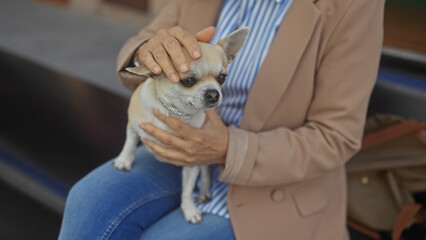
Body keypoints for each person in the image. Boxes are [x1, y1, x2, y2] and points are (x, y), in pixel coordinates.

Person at [58, 0, 385, 239]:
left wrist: (229, 149)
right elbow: (146, 41)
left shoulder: (353, 6)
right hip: (180, 151)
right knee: (88, 201)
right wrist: (148, 51)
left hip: (275, 184)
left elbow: (336, 137)